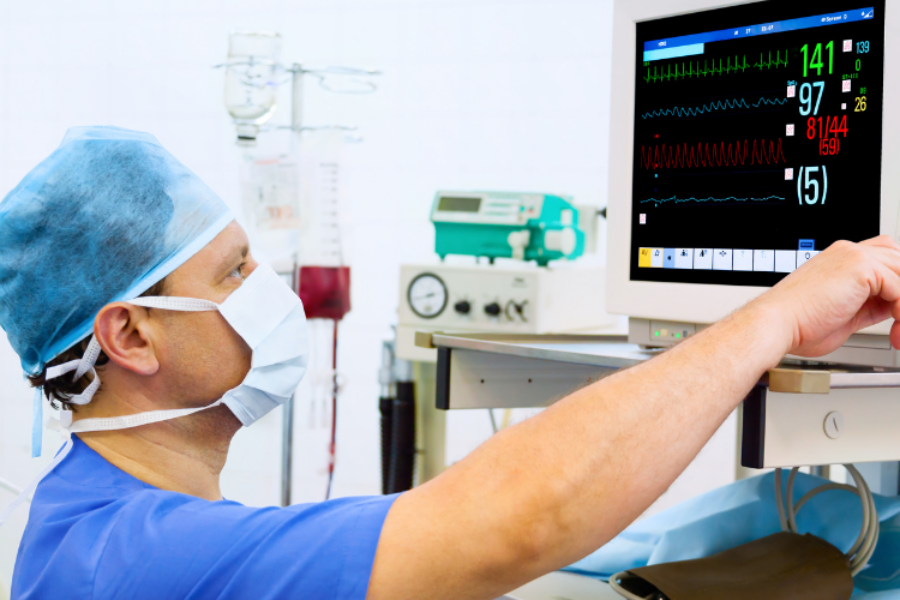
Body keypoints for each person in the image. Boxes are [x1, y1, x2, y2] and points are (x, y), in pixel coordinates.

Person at [3, 126, 900, 600]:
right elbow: (522, 518)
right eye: (235, 271)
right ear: (131, 337)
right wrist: (784, 311)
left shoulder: (91, 513)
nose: (266, 289)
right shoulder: (141, 559)